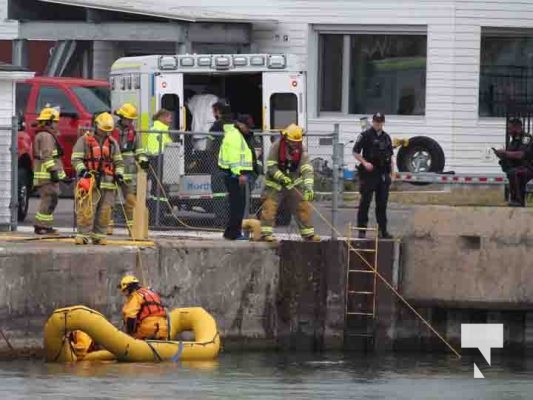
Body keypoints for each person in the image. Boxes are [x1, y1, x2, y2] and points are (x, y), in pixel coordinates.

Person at [259, 124, 320, 242]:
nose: (294, 144)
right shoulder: (276, 147)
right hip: (275, 185)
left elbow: (307, 168)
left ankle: (308, 234)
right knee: (269, 207)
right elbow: (271, 167)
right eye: (292, 142)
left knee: (302, 206)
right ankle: (265, 234)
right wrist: (282, 178)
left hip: (293, 184)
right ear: (286, 138)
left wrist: (308, 187)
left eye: (297, 142)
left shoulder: (302, 149)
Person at [72, 112, 124, 245]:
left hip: (107, 182)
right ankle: (83, 235)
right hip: (90, 181)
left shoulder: (112, 143)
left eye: (108, 131)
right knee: (87, 209)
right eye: (103, 130)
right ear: (96, 126)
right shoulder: (84, 140)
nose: (105, 133)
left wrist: (119, 174)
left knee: (105, 211)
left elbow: (118, 162)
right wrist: (82, 170)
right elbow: (76, 158)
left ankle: (99, 235)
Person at [108, 103, 149, 234]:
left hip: (129, 171)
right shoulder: (111, 130)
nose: (130, 121)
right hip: (113, 169)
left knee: (131, 201)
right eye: (129, 119)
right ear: (122, 117)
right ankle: (108, 226)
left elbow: (139, 149)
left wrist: (143, 160)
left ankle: (133, 228)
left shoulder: (133, 132)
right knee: (109, 200)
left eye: (132, 119)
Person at [353, 112, 394, 239]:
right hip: (369, 173)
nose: (378, 124)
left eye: (380, 122)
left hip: (383, 173)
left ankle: (382, 231)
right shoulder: (365, 135)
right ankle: (361, 230)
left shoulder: (386, 137)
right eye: (376, 121)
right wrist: (364, 163)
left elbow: (390, 156)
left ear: (383, 122)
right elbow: (355, 152)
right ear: (373, 121)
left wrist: (393, 173)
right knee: (365, 202)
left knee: (382, 204)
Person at [217, 104, 254, 240]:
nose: (248, 130)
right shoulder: (235, 136)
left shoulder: (238, 135)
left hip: (235, 175)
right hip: (234, 176)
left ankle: (230, 232)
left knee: (237, 205)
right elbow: (234, 158)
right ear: (239, 124)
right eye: (246, 127)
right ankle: (233, 234)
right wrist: (240, 174)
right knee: (237, 206)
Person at [32, 107, 66, 234]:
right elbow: (47, 156)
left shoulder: (45, 135)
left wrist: (62, 176)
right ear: (49, 122)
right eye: (55, 122)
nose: (57, 124)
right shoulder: (46, 136)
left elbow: (54, 158)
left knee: (52, 199)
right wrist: (53, 172)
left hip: (48, 175)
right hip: (46, 176)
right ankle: (40, 226)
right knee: (48, 199)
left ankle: (45, 226)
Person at [494, 119, 533, 206]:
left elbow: (521, 155)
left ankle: (518, 201)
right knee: (513, 172)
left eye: (510, 129)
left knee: (515, 173)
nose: (509, 131)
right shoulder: (514, 141)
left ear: (517, 128)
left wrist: (505, 153)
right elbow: (510, 154)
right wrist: (501, 155)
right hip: (518, 167)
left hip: (528, 168)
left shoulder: (526, 138)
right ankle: (515, 200)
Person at [117, 275, 168, 340]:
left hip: (147, 331)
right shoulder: (152, 293)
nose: (124, 294)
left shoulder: (136, 296)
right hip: (163, 330)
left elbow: (130, 316)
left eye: (124, 291)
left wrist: (129, 335)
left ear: (130, 288)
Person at [146, 109, 173, 216]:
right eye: (169, 117)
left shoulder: (163, 130)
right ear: (161, 118)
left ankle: (159, 215)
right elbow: (154, 150)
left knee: (161, 191)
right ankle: (157, 216)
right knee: (159, 191)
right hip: (158, 162)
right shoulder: (157, 130)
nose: (171, 120)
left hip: (162, 162)